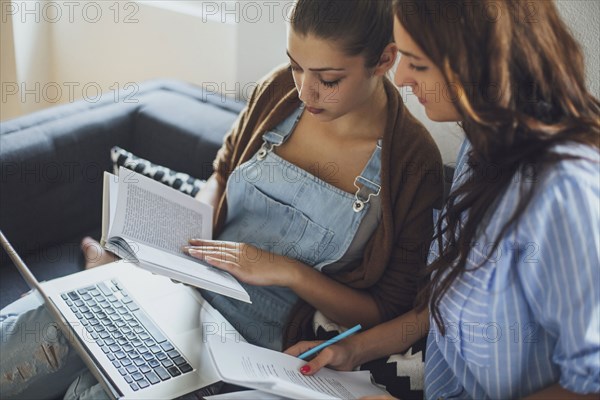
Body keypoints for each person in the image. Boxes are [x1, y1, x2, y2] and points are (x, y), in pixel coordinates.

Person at [1, 1, 443, 398]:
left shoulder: (411, 162)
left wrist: (286, 271)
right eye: (295, 66)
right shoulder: (277, 93)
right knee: (32, 334)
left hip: (246, 346)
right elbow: (221, 170)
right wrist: (170, 244)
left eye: (328, 80)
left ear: (384, 60)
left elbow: (384, 310)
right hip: (175, 290)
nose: (305, 92)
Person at [286, 0, 600, 398]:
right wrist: (352, 349)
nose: (400, 78)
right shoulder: (483, 142)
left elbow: (591, 385)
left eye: (417, 64)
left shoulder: (565, 189)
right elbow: (447, 301)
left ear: (480, 64)